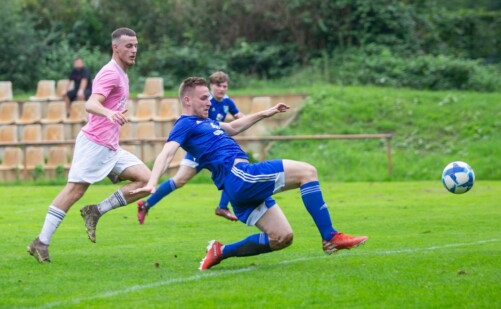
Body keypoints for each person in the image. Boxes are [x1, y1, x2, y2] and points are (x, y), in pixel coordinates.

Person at [131, 77, 367, 270]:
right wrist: (152, 181)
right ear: (187, 99)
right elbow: (166, 152)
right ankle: (330, 236)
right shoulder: (185, 124)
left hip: (239, 189)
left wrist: (267, 112)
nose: (209, 103)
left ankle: (220, 251)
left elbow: (234, 127)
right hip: (241, 175)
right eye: (204, 98)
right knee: (308, 171)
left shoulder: (208, 122)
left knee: (282, 238)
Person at [27, 28, 153, 263]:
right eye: (129, 46)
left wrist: (112, 115)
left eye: (136, 45)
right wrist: (109, 113)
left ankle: (96, 211)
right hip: (95, 144)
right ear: (115, 47)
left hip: (110, 146)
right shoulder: (110, 73)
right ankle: (41, 242)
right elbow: (90, 103)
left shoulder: (122, 73)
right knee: (74, 191)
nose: (134, 50)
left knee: (147, 181)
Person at [136, 71, 245, 224]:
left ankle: (222, 207)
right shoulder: (204, 100)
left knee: (231, 169)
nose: (222, 89)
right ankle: (147, 203)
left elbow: (238, 118)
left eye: (225, 86)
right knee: (179, 180)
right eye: (218, 86)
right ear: (211, 86)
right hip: (198, 151)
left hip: (215, 152)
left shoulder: (228, 102)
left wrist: (251, 118)